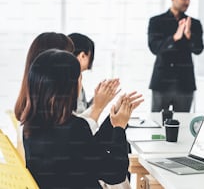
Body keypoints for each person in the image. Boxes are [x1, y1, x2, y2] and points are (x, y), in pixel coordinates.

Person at [21, 49, 143, 189]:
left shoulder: (31, 126)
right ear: (68, 86)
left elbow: (86, 151)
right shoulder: (74, 127)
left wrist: (112, 119)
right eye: (79, 78)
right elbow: (116, 173)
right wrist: (119, 128)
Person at [148, 0, 204, 112]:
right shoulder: (156, 21)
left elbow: (199, 49)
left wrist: (189, 36)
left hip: (185, 83)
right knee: (157, 123)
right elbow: (154, 48)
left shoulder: (194, 24)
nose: (188, 2)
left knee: (184, 125)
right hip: (161, 82)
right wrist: (174, 38)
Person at [68, 33, 100, 114]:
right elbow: (80, 119)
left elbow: (83, 110)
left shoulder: (77, 77)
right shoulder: (72, 80)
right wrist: (99, 105)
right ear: (82, 55)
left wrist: (97, 99)